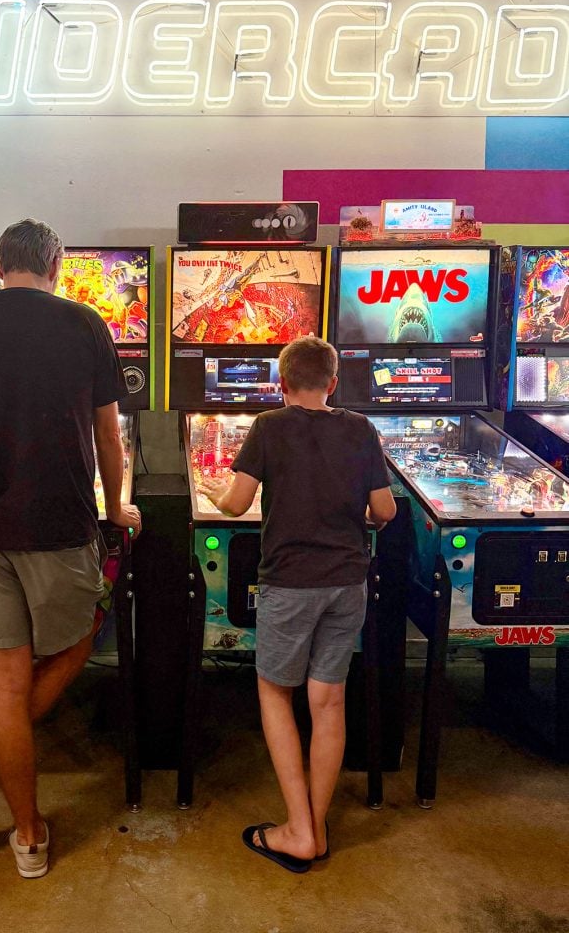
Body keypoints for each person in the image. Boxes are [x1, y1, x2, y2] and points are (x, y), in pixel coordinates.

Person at [0, 218, 141, 878]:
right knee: (76, 645)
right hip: (61, 525)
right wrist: (113, 510)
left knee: (7, 683)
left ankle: (24, 835)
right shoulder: (85, 323)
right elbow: (109, 435)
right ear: (57, 264)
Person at [200, 336, 395, 873]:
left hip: (290, 583)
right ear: (333, 382)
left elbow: (237, 502)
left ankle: (298, 832)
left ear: (281, 383)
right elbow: (385, 509)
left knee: (274, 693)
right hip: (346, 582)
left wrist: (215, 491)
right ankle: (316, 823)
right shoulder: (360, 428)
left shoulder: (269, 426)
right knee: (328, 701)